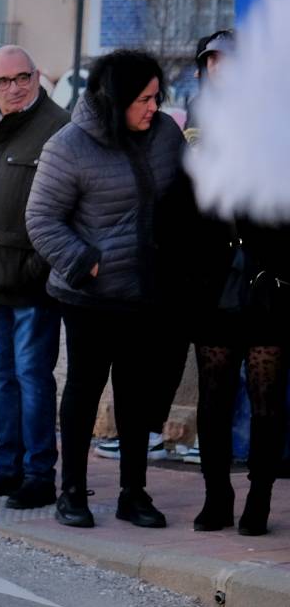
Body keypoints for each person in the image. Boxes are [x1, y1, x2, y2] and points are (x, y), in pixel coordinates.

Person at [26, 49, 188, 530]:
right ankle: (71, 491)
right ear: (115, 99)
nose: (152, 108)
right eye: (142, 99)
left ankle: (133, 493)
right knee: (83, 391)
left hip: (148, 293)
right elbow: (41, 219)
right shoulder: (69, 146)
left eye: (157, 97)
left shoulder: (165, 136)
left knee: (136, 397)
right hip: (90, 298)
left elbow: (189, 195)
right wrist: (86, 262)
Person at [183, 30, 287, 535]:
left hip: (267, 280)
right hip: (213, 280)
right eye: (213, 62)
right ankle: (217, 494)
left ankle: (259, 499)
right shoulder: (197, 117)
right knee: (214, 395)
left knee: (266, 396)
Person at [0, 46, 67, 509]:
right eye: (3, 82)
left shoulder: (58, 129)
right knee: (2, 375)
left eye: (23, 77)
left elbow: (66, 209)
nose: (14, 88)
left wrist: (38, 266)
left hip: (29, 281)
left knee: (32, 377)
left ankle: (39, 475)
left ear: (37, 75)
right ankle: (7, 469)